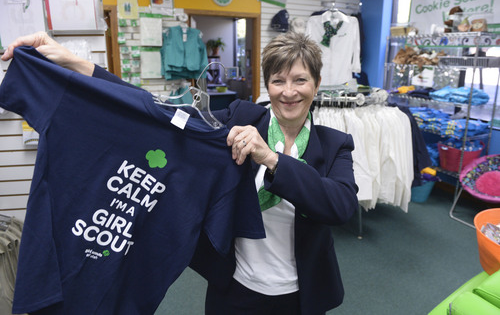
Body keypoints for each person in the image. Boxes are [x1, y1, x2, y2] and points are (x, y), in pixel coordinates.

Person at [1, 31, 359, 314]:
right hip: (235, 288)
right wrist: (73, 63)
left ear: (317, 82)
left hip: (300, 295)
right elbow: (161, 116)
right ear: (267, 85)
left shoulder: (334, 143)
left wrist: (271, 159)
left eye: (300, 80)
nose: (289, 92)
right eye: (278, 81)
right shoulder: (241, 118)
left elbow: (340, 205)